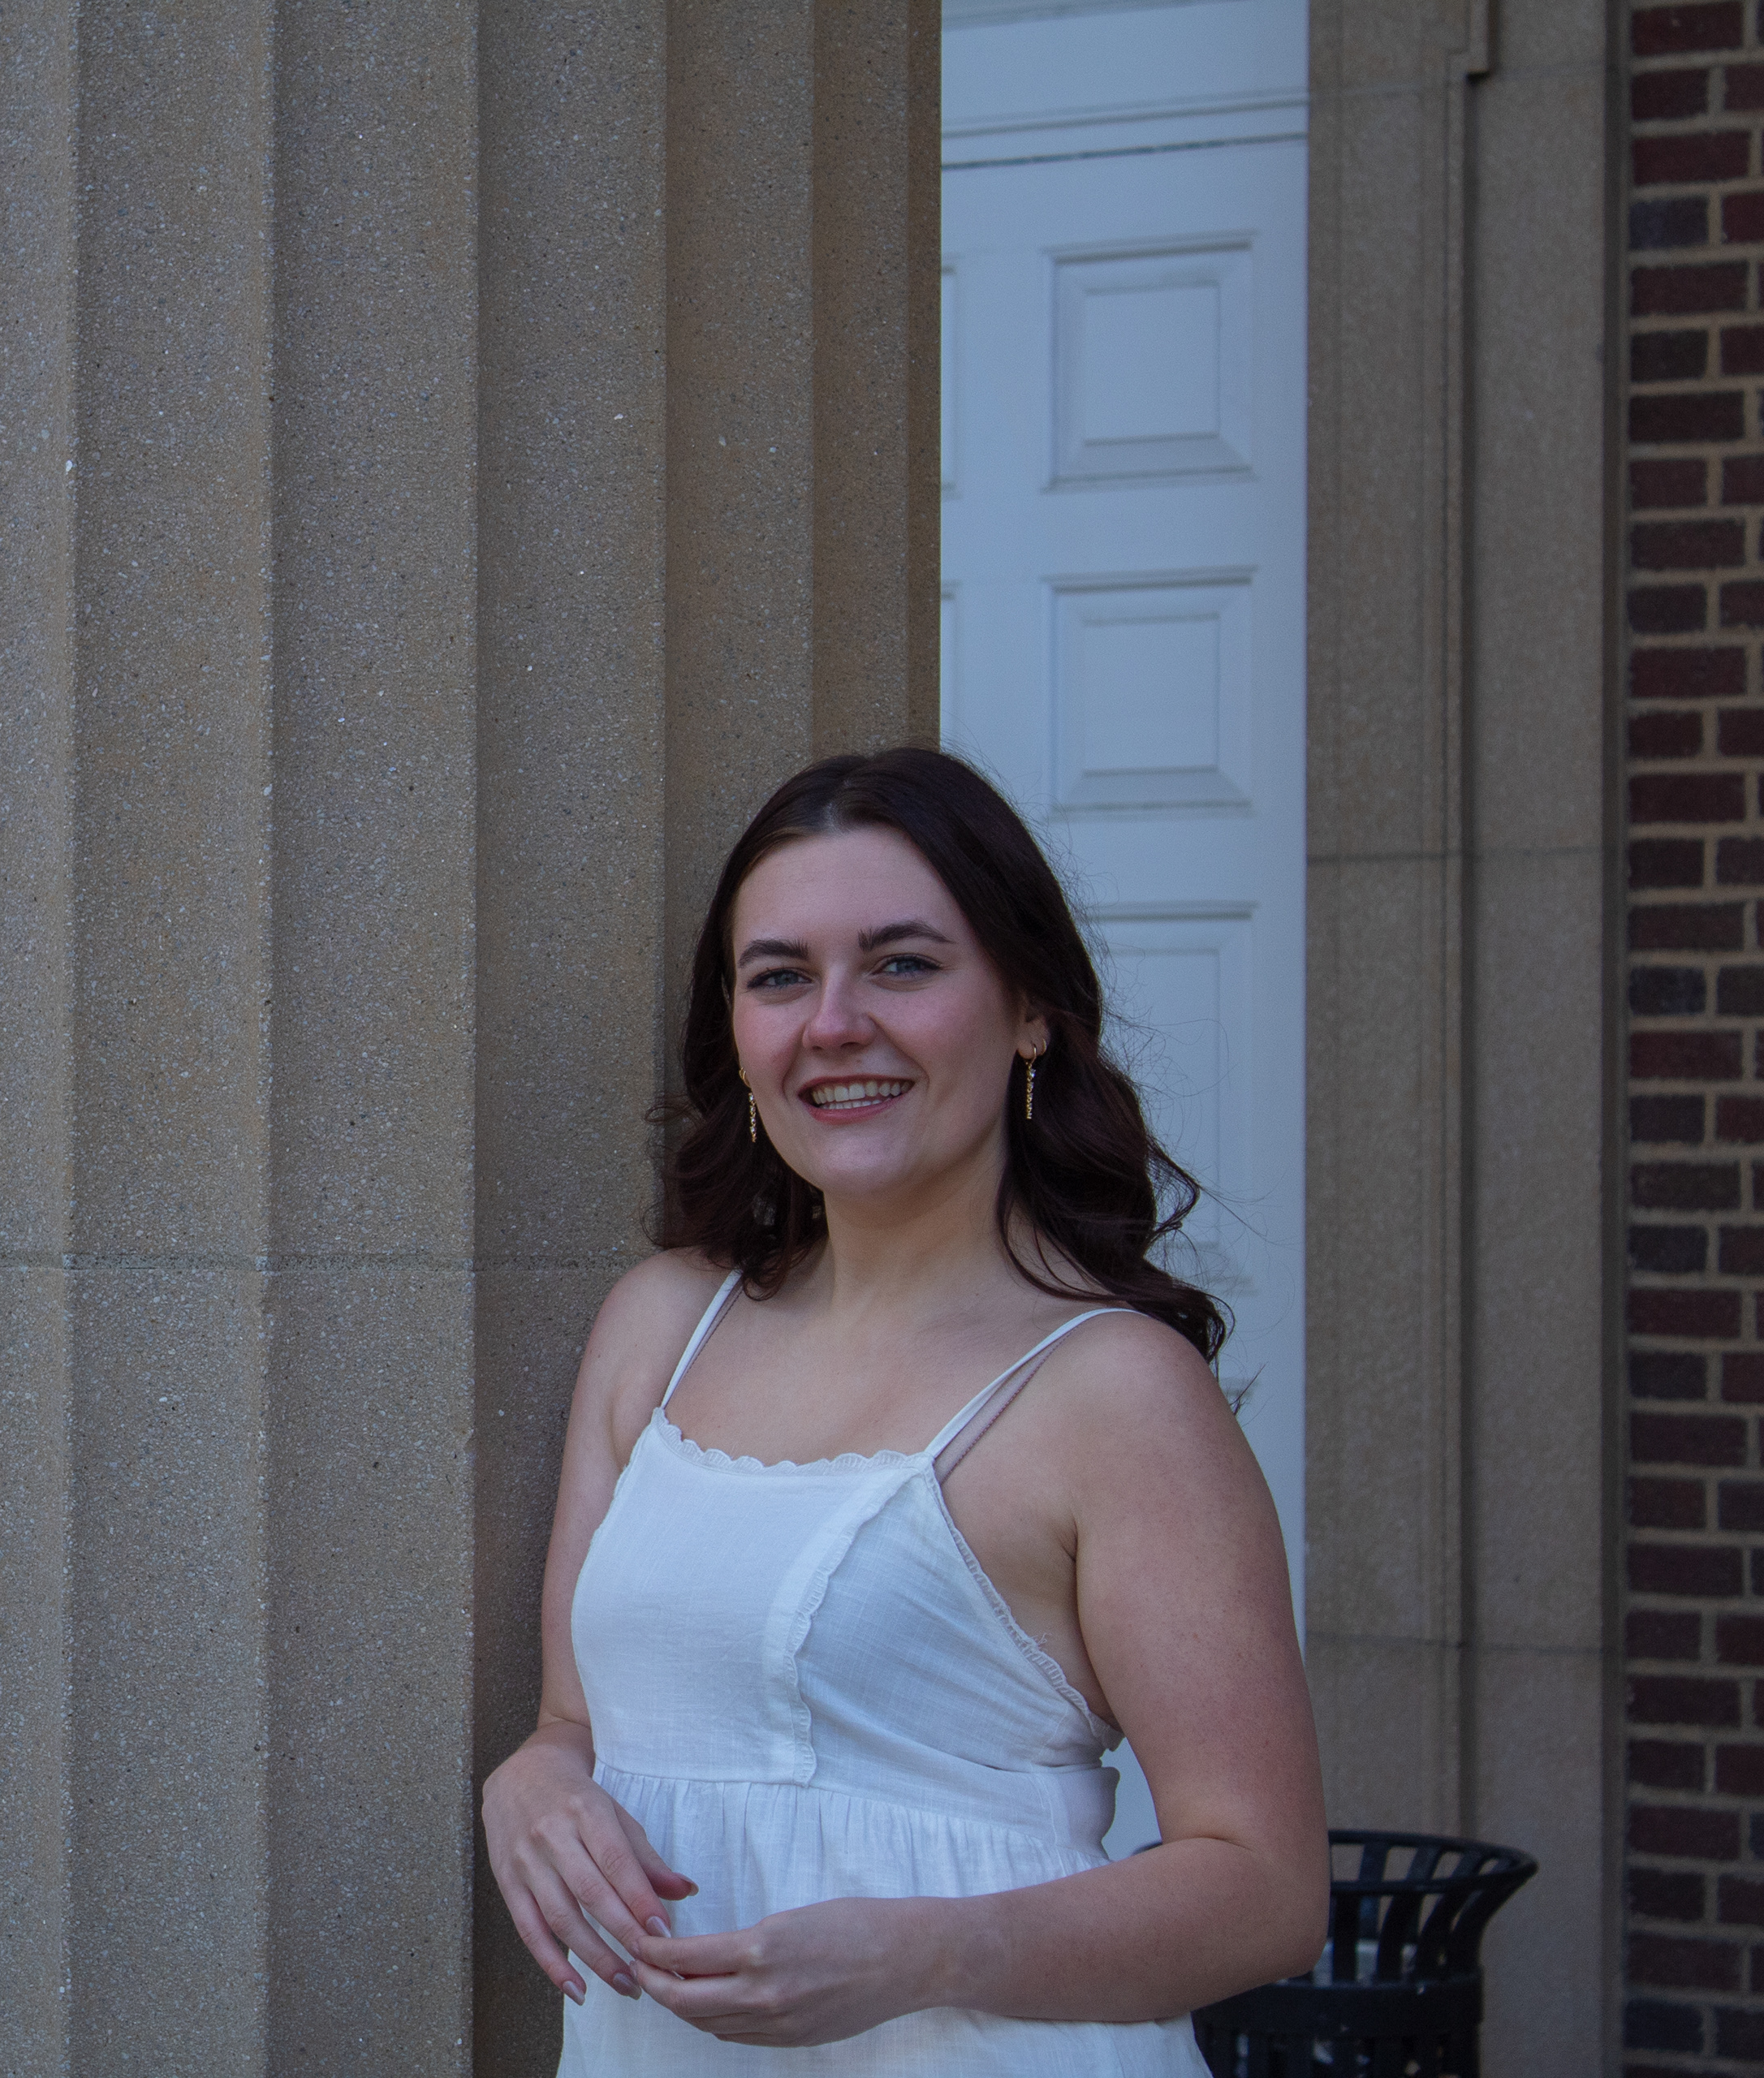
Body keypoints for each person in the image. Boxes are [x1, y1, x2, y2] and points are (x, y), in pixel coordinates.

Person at [481, 748, 1325, 2072]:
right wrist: (528, 1782)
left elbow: (1266, 1890)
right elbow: (576, 1726)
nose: (834, 1023)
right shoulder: (661, 1327)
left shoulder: (1113, 1392)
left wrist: (931, 1953)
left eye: (903, 965)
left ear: (1030, 1008)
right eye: (780, 977)